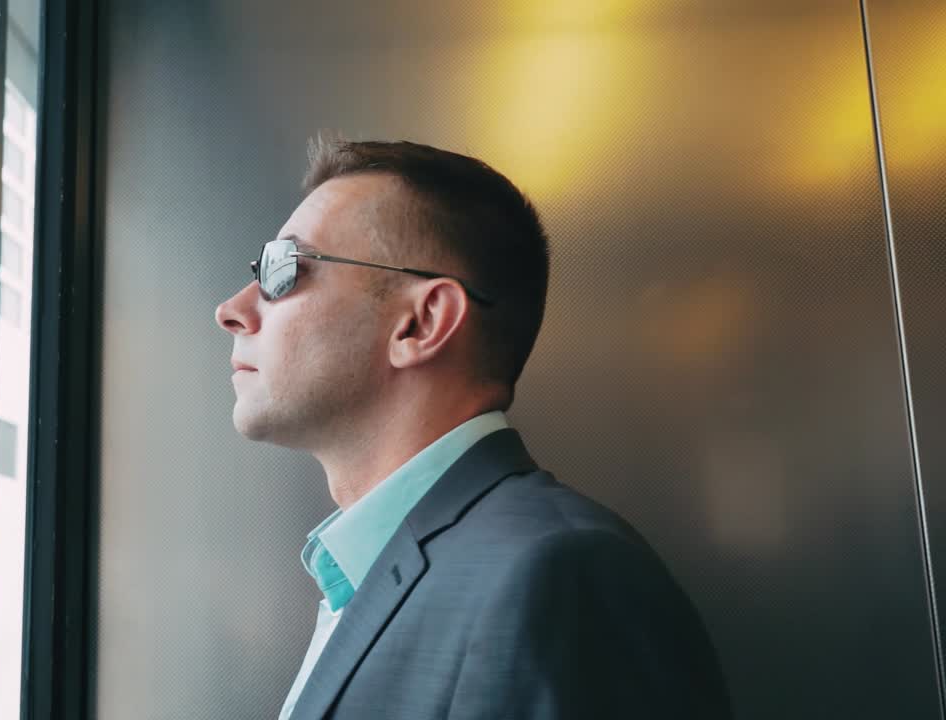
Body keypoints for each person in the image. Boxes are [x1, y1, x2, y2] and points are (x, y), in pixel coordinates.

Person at [215, 138, 731, 720]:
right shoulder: (364, 576)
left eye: (284, 269)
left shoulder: (557, 574)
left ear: (421, 322)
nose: (232, 309)